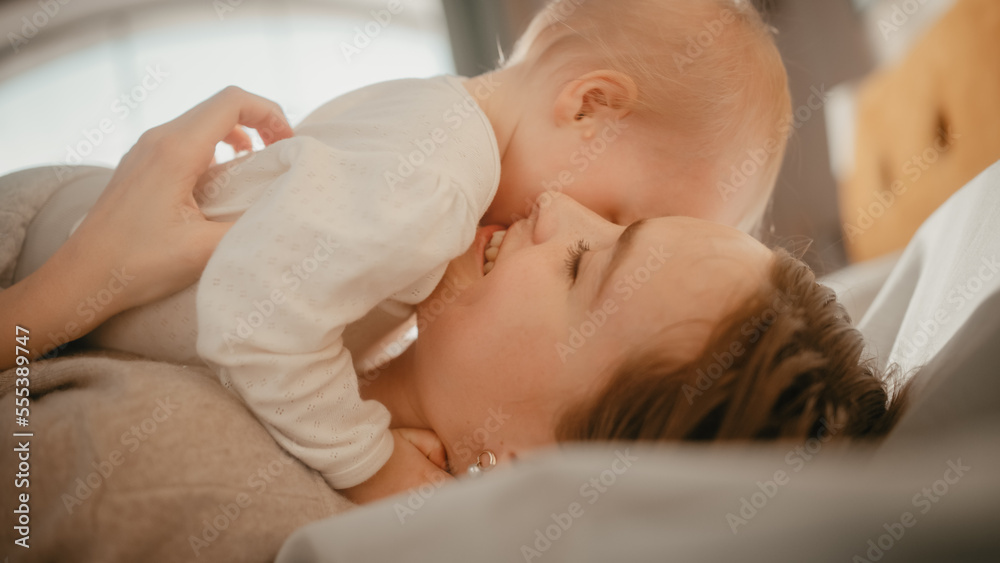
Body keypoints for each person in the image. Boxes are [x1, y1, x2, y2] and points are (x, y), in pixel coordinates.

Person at [6, 0, 792, 503]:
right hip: (43, 239)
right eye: (617, 215)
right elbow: (253, 320)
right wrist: (370, 460)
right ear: (588, 105)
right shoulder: (441, 183)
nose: (566, 218)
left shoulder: (436, 126)